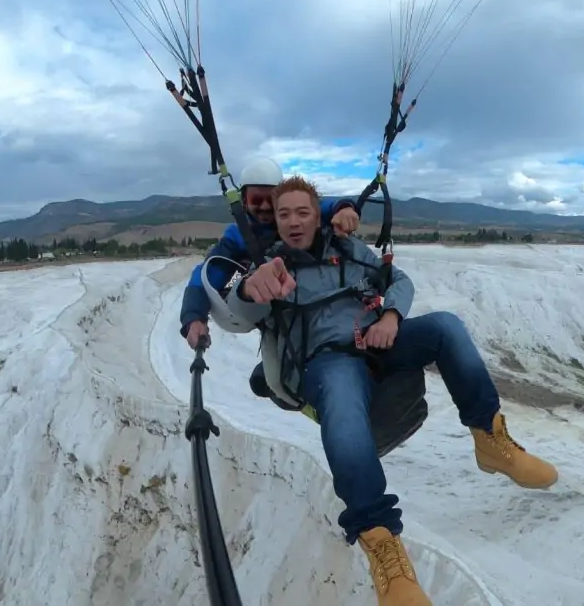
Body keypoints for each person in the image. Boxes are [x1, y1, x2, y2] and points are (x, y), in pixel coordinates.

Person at [225, 175, 559, 606]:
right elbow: (236, 308)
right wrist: (251, 288)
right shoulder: (271, 266)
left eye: (303, 212)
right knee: (341, 407)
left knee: (445, 327)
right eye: (284, 213)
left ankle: (490, 439)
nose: (293, 221)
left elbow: (396, 279)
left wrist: (392, 317)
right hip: (327, 361)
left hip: (377, 340)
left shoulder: (349, 251)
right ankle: (382, 544)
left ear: (318, 215)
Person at [179, 156, 360, 359]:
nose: (265, 206)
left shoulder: (296, 217)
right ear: (244, 201)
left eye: (271, 200)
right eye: (257, 200)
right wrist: (193, 316)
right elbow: (209, 275)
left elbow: (324, 206)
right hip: (276, 318)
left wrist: (344, 208)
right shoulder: (239, 235)